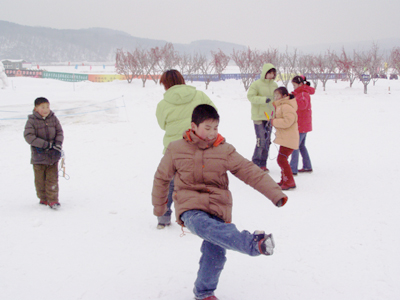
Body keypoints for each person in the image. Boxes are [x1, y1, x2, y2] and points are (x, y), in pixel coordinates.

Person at [152, 104, 288, 300]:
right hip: (190, 206)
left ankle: (204, 293)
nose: (212, 133)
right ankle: (252, 244)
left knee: (215, 253)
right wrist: (160, 207)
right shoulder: (176, 149)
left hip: (218, 207)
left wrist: (275, 193)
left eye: (215, 128)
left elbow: (249, 171)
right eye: (207, 128)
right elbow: (161, 178)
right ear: (193, 126)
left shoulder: (224, 150)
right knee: (201, 224)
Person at [155, 69, 216, 229]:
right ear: (182, 79)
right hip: (199, 147)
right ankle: (201, 218)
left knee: (168, 184)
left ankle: (163, 219)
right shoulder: (200, 96)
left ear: (165, 84)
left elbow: (162, 125)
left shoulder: (163, 104)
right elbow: (213, 114)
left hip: (174, 151)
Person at [24, 97, 64, 209]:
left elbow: (59, 132)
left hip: (53, 156)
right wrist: (45, 144)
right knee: (40, 180)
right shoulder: (31, 121)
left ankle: (53, 200)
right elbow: (28, 136)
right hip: (39, 156)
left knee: (52, 178)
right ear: (36, 108)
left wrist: (58, 143)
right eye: (43, 107)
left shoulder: (53, 118)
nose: (46, 109)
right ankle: (43, 198)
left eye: (47, 106)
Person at [247, 63, 278, 172]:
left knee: (268, 141)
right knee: (261, 140)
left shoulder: (275, 85)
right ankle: (255, 163)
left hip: (270, 117)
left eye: (273, 73)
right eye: (269, 73)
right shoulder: (256, 84)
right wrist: (263, 99)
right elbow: (250, 97)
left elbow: (277, 99)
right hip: (259, 116)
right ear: (265, 73)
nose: (271, 75)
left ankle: (263, 163)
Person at [270, 87, 299, 190]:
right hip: (286, 138)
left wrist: (274, 122)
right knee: (282, 159)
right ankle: (284, 180)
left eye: (278, 96)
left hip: (289, 138)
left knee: (281, 159)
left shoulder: (286, 106)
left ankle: (289, 181)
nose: (276, 98)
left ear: (285, 96)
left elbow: (288, 121)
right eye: (275, 96)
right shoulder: (281, 106)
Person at [289, 75, 315, 175]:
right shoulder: (300, 93)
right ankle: (307, 166)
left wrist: (293, 99)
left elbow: (302, 106)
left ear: (300, 84)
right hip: (303, 124)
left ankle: (292, 169)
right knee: (301, 146)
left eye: (295, 85)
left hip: (301, 125)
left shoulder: (303, 93)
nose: (294, 87)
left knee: (295, 146)